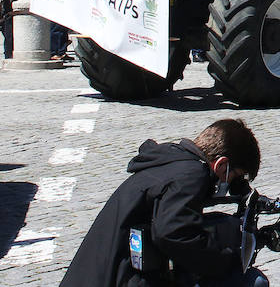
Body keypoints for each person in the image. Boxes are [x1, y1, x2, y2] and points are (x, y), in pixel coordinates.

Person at [61, 118, 264, 287]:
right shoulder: (191, 175)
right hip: (116, 279)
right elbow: (173, 233)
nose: (231, 183)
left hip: (99, 275)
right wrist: (226, 259)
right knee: (251, 282)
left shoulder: (171, 163)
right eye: (235, 175)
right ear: (222, 164)